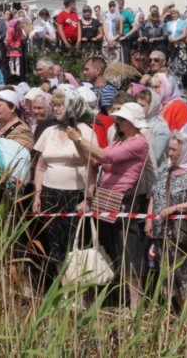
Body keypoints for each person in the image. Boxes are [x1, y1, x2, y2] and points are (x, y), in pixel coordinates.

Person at [68, 102, 151, 312]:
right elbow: (94, 160)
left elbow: (107, 157)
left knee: (129, 251)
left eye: (123, 119)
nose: (119, 122)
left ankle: (136, 304)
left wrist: (79, 139)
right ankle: (124, 299)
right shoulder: (119, 141)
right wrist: (79, 143)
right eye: (119, 119)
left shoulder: (140, 142)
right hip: (106, 198)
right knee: (113, 250)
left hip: (125, 199)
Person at [31, 87, 98, 280]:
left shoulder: (85, 132)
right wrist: (37, 194)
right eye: (54, 104)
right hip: (51, 194)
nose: (56, 108)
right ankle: (63, 288)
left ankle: (78, 290)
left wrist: (88, 197)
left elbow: (92, 166)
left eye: (60, 104)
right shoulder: (49, 131)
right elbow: (40, 167)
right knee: (55, 244)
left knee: (75, 243)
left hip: (75, 195)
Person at [145, 133, 187, 308]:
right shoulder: (166, 170)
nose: (170, 153)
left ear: (185, 150)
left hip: (180, 234)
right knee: (167, 276)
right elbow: (154, 195)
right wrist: (149, 220)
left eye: (174, 149)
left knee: (184, 274)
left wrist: (174, 209)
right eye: (169, 149)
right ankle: (179, 312)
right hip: (161, 232)